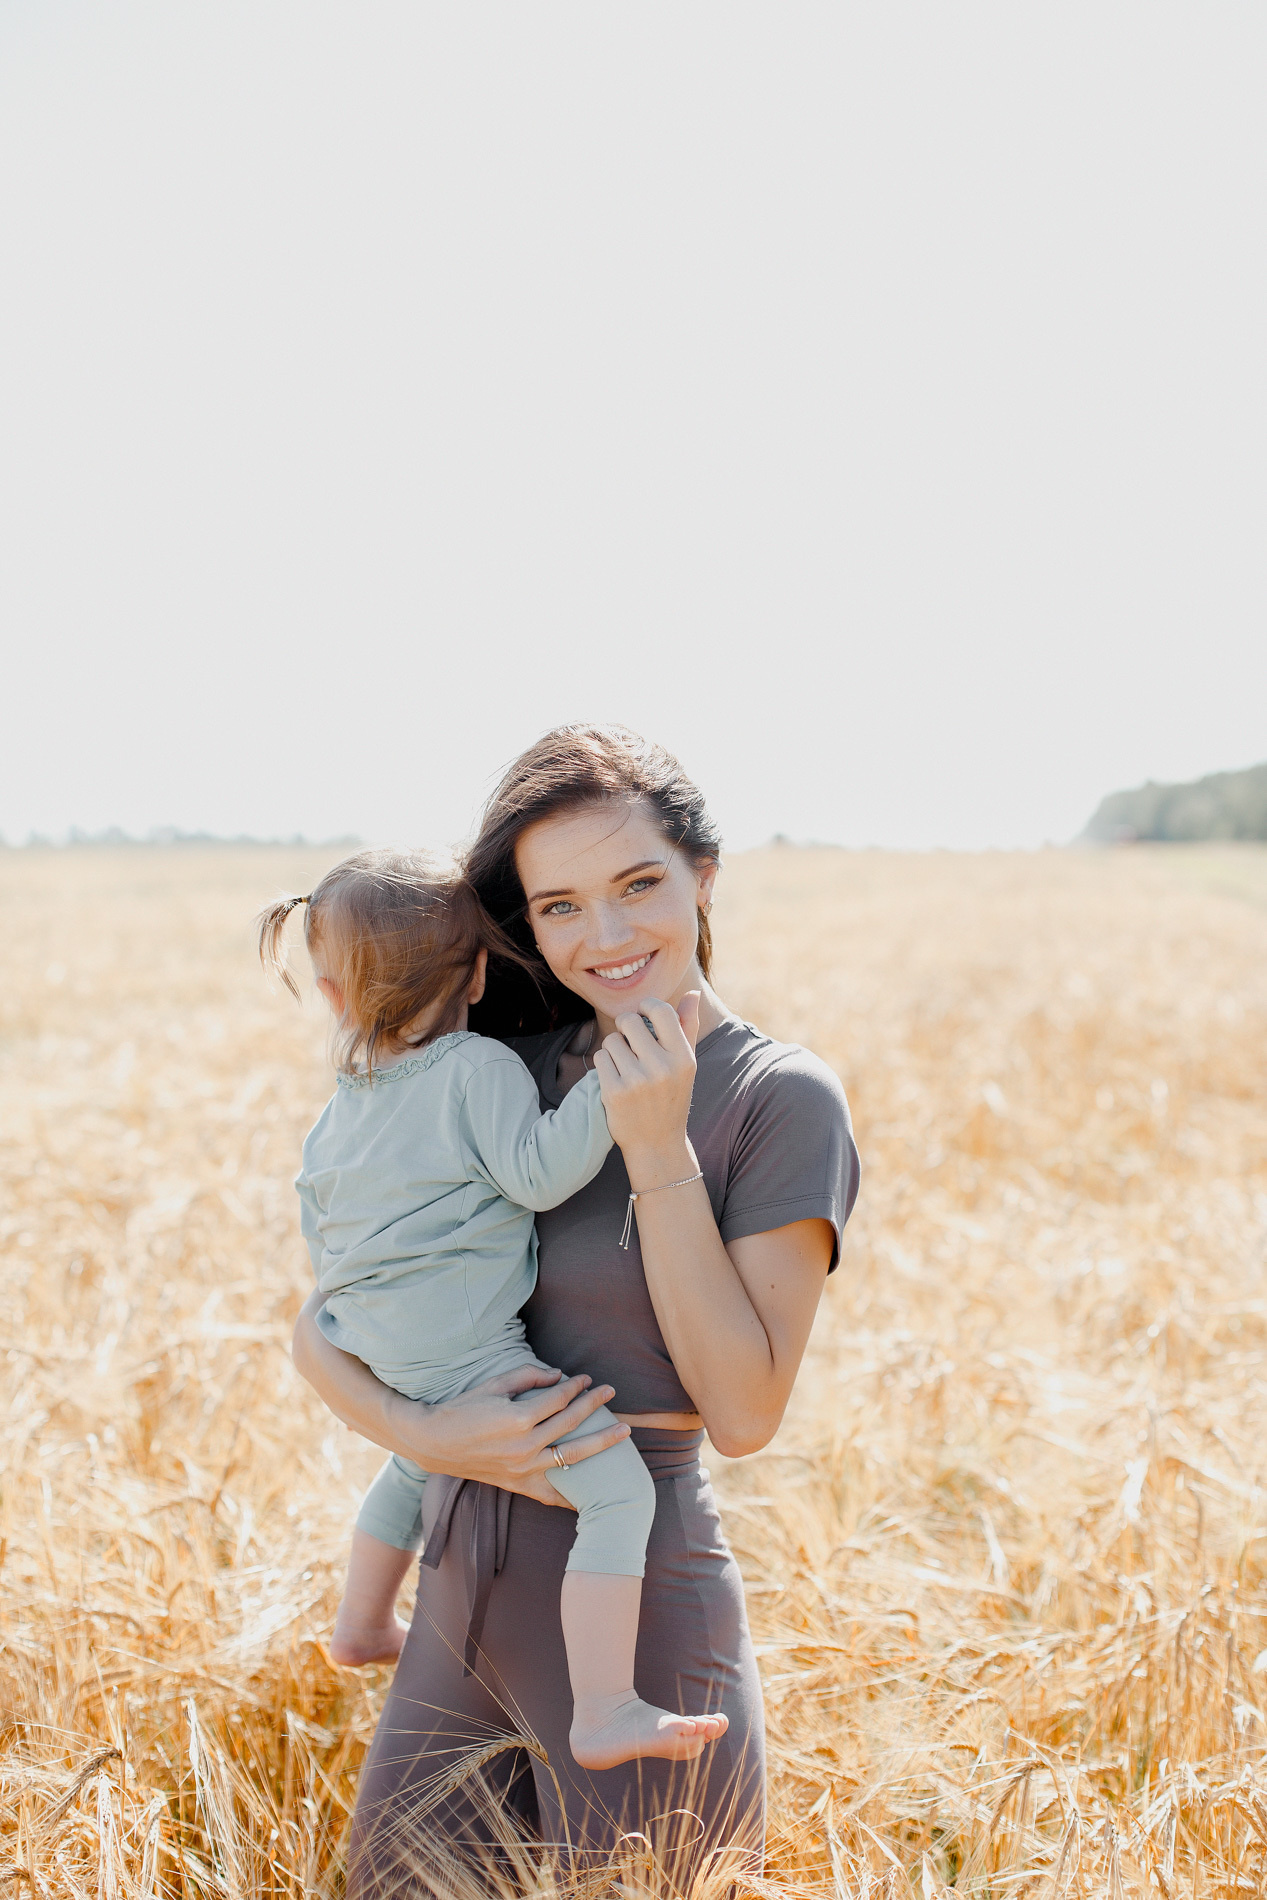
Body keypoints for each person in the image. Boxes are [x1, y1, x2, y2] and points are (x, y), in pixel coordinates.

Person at [291, 725, 861, 1888]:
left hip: (634, 1604)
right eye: (557, 907)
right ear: (523, 925)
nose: (602, 937)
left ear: (704, 876)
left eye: (638, 885)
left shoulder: (775, 1097)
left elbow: (744, 1411)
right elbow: (320, 1322)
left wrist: (658, 1154)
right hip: (453, 1580)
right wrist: (421, 1436)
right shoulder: (498, 1066)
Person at [257, 850, 729, 1770]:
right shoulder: (475, 1065)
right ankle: (603, 1709)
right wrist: (614, 1078)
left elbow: (319, 1218)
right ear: (477, 972)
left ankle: (358, 1624)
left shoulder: (342, 1105)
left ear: (335, 995)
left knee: (412, 1461)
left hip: (367, 1338)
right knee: (619, 1492)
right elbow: (538, 1172)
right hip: (465, 1348)